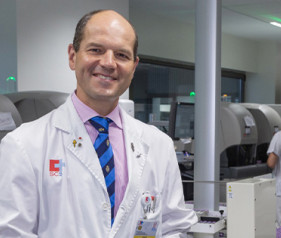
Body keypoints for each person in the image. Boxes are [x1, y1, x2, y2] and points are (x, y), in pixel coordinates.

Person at [0, 10, 197, 237]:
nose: (108, 63)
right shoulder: (23, 145)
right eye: (96, 50)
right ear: (73, 56)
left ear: (133, 67)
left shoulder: (159, 145)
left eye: (122, 55)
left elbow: (176, 227)